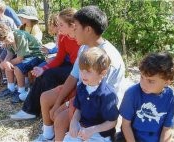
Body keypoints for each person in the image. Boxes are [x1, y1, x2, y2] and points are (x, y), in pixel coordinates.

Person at [35, 6, 125, 141]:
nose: (73, 31)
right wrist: (58, 102)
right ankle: (48, 136)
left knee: (60, 119)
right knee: (46, 98)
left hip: (97, 106)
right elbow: (73, 76)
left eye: (75, 27)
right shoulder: (84, 47)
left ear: (88, 30)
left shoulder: (106, 58)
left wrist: (65, 105)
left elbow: (96, 95)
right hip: (82, 93)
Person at [10, 8, 80, 120]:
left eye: (61, 24)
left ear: (72, 25)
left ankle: (45, 111)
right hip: (70, 65)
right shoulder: (62, 36)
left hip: (79, 69)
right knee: (44, 73)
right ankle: (30, 110)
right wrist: (44, 68)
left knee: (50, 75)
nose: (58, 28)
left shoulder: (81, 38)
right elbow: (59, 58)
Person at [63, 47, 119, 141]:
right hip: (83, 129)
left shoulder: (108, 95)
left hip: (101, 134)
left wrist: (92, 130)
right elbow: (79, 109)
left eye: (88, 71)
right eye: (81, 70)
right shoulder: (82, 87)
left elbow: (112, 122)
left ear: (102, 73)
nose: (83, 75)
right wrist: (74, 122)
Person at [119, 52, 174, 142]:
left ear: (167, 82)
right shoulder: (132, 93)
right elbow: (126, 125)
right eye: (141, 77)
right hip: (131, 138)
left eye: (150, 81)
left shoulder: (171, 98)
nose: (143, 84)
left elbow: (167, 129)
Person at [0, 22, 44, 102]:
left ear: (9, 30)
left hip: (35, 56)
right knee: (7, 63)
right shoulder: (7, 40)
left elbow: (20, 59)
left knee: (17, 68)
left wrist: (6, 63)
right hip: (26, 57)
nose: (8, 40)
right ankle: (10, 88)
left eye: (8, 37)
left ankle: (21, 91)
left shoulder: (20, 36)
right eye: (5, 40)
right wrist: (5, 62)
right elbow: (10, 53)